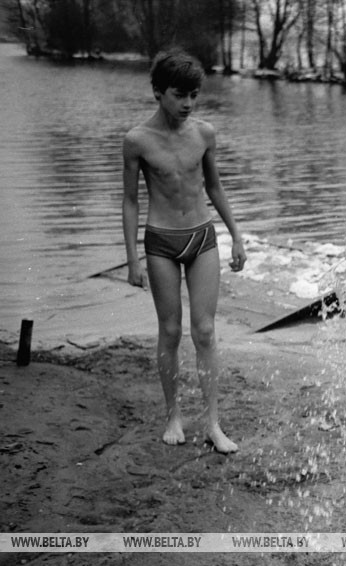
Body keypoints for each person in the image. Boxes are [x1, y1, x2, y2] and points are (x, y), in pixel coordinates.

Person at [122, 48, 247, 454]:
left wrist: (237, 236)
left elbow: (214, 187)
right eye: (180, 95)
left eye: (194, 95)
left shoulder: (204, 133)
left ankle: (213, 423)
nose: (188, 104)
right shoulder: (137, 141)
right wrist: (132, 259)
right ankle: (173, 414)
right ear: (158, 92)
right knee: (171, 331)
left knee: (206, 330)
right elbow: (130, 202)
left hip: (201, 236)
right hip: (160, 240)